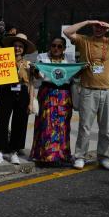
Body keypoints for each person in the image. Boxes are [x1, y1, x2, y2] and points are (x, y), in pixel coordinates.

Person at [63, 20, 109, 170]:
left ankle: (103, 157)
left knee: (106, 128)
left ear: (106, 29)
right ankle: (80, 156)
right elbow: (67, 32)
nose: (99, 29)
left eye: (102, 27)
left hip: (108, 90)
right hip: (88, 90)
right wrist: (87, 22)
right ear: (92, 27)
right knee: (85, 126)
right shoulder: (84, 40)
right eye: (96, 26)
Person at [0, 33, 36, 165]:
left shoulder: (29, 64)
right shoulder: (4, 60)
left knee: (20, 123)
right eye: (15, 46)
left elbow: (31, 83)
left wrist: (30, 102)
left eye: (20, 46)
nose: (17, 48)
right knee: (2, 121)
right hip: (7, 91)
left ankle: (14, 152)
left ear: (24, 49)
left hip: (22, 92)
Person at [30, 37, 74, 165]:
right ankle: (46, 156)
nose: (56, 48)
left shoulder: (69, 60)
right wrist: (36, 70)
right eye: (54, 45)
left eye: (59, 46)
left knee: (63, 124)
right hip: (47, 92)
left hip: (64, 95)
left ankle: (62, 155)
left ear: (64, 48)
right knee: (47, 124)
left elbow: (74, 76)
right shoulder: (42, 58)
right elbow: (38, 76)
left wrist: (82, 68)